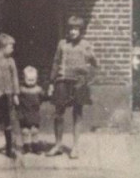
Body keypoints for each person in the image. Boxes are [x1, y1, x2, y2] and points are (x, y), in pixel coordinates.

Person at [46, 16, 99, 159]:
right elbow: (56, 62)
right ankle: (58, 145)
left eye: (76, 29)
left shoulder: (86, 45)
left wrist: (87, 80)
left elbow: (95, 64)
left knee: (77, 113)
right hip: (62, 81)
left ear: (81, 30)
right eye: (70, 29)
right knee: (59, 113)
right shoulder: (62, 44)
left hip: (78, 83)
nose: (73, 32)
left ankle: (75, 147)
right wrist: (51, 82)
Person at [18, 66, 46, 154]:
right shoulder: (21, 89)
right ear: (24, 78)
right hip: (24, 112)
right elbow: (17, 98)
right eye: (28, 80)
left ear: (36, 79)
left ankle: (35, 147)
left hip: (34, 113)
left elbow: (43, 97)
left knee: (35, 130)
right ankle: (26, 146)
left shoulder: (38, 89)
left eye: (32, 80)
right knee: (25, 131)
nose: (30, 82)